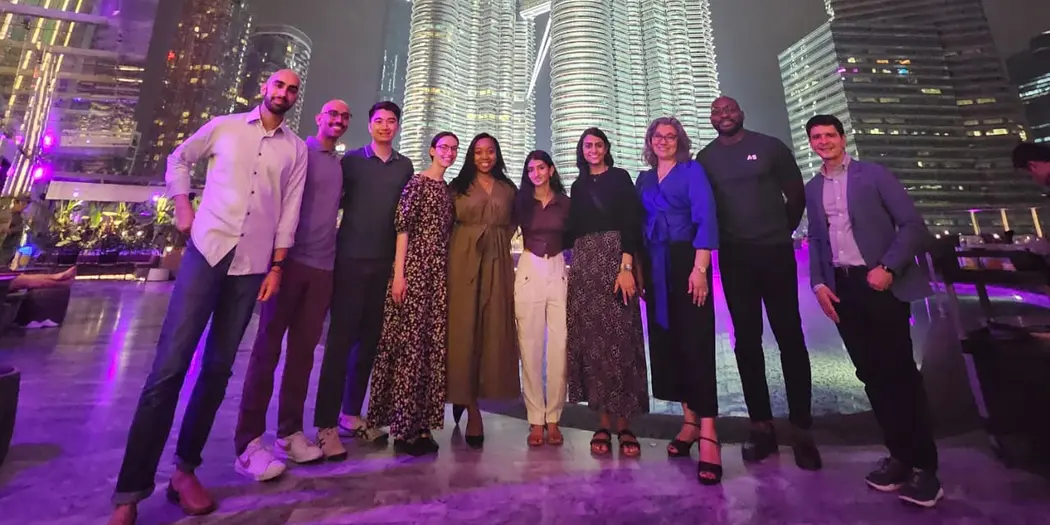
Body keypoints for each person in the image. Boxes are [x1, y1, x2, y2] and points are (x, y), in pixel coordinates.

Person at [107, 69, 307, 525]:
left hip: (252, 266)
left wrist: (276, 266)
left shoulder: (296, 150)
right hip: (207, 251)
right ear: (265, 88)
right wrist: (183, 204)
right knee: (169, 369)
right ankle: (130, 492)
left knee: (217, 370)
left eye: (292, 89)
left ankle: (185, 471)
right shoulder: (224, 126)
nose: (283, 93)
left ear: (297, 96)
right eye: (278, 85)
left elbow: (288, 211)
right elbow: (179, 159)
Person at [805, 114, 941, 508]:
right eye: (817, 136)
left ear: (843, 138)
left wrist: (888, 267)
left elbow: (913, 225)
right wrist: (819, 284)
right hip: (843, 288)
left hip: (880, 283)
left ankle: (925, 468)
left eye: (830, 135)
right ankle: (899, 457)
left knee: (900, 374)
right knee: (871, 374)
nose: (824, 141)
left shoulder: (873, 175)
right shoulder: (813, 188)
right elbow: (816, 238)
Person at [696, 96, 821, 470]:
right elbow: (704, 207)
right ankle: (761, 427)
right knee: (746, 343)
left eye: (730, 109)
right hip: (734, 259)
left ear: (742, 113)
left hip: (775, 253)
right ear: (711, 118)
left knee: (790, 338)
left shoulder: (769, 146)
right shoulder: (705, 158)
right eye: (717, 111)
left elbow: (796, 193)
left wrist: (781, 228)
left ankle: (801, 429)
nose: (724, 115)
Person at [232, 99, 352, 480]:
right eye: (331, 114)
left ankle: (289, 433)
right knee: (266, 350)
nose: (337, 120)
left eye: (344, 116)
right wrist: (273, 261)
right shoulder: (299, 151)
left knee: (302, 355)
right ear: (319, 118)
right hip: (288, 263)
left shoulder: (341, 165)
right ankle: (248, 442)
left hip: (324, 268)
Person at [314, 101, 413, 446]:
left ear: (397, 126)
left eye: (391, 121)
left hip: (384, 265)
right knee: (339, 342)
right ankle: (325, 425)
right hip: (350, 261)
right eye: (379, 121)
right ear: (370, 125)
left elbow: (404, 221)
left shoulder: (405, 167)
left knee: (369, 342)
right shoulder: (352, 161)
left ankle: (351, 414)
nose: (385, 126)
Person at [636, 117, 721, 483]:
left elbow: (707, 219)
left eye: (671, 137)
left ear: (680, 141)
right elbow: (636, 227)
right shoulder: (642, 179)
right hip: (655, 266)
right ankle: (687, 422)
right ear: (650, 142)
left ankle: (708, 434)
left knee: (696, 344)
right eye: (658, 136)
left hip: (687, 261)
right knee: (668, 345)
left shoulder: (693, 171)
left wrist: (700, 269)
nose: (664, 142)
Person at [367, 132, 458, 456]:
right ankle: (403, 428)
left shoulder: (448, 191)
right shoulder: (417, 183)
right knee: (408, 349)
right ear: (432, 150)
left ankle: (421, 424)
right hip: (414, 272)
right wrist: (400, 274)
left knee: (429, 350)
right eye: (443, 147)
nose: (448, 152)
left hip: (437, 277)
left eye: (453, 148)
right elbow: (402, 228)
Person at [565, 127, 648, 458]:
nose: (593, 150)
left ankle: (625, 425)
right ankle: (601, 422)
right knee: (593, 345)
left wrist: (626, 267)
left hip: (616, 261)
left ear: (606, 149)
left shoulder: (620, 178)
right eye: (587, 145)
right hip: (585, 266)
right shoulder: (577, 185)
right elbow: (571, 231)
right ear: (581, 150)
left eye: (598, 145)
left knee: (621, 342)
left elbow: (632, 222)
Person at [447, 133, 519, 449]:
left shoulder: (509, 189)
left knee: (492, 331)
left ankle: (475, 393)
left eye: (490, 151)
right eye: (478, 152)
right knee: (463, 331)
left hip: (498, 262)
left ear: (497, 154)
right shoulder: (457, 187)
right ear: (470, 156)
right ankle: (469, 404)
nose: (484, 157)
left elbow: (515, 222)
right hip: (462, 260)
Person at [513, 150, 570, 447]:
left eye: (540, 167)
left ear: (550, 170)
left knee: (560, 345)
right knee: (530, 345)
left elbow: (575, 236)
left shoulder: (566, 203)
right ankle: (535, 418)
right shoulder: (521, 203)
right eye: (530, 169)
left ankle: (554, 418)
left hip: (559, 268)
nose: (535, 173)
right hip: (528, 269)